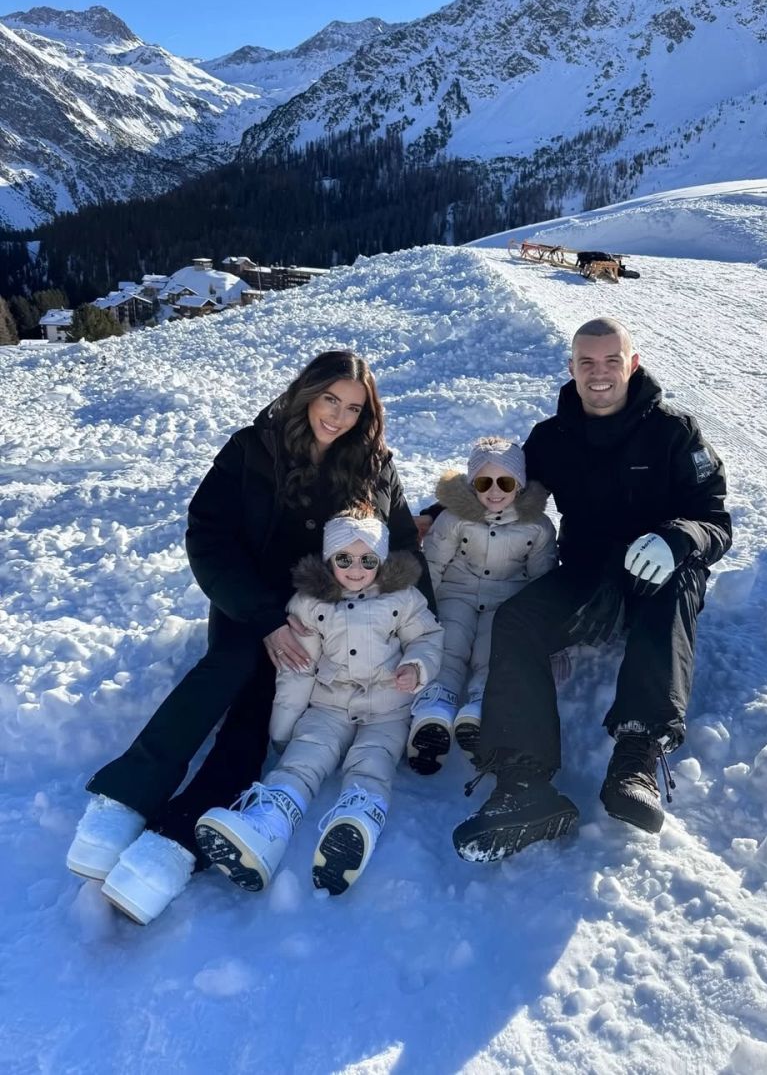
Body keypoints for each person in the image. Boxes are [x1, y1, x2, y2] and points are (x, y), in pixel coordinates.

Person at [66, 350, 433, 924]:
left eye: (353, 408)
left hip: (324, 622)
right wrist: (263, 617)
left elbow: (404, 544)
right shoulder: (252, 449)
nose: (337, 416)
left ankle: (174, 843)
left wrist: (420, 634)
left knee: (257, 715)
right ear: (307, 392)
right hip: (250, 603)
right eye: (329, 400)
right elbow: (208, 534)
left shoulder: (374, 465)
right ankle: (127, 795)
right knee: (231, 667)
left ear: (367, 415)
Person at [451, 316, 732, 862]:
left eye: (610, 361)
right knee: (517, 621)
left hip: (660, 576)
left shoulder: (674, 433)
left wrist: (678, 537)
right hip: (587, 576)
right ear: (572, 367)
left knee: (674, 588)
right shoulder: (554, 437)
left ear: (632, 363)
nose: (598, 374)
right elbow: (503, 491)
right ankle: (524, 783)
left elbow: (716, 522)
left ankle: (636, 757)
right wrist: (439, 513)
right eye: (586, 362)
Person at [194, 511, 443, 896]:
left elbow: (428, 637)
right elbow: (298, 669)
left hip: (388, 706)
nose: (356, 570)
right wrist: (283, 728)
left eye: (368, 560)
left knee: (373, 760)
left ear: (382, 560)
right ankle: (267, 824)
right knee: (304, 756)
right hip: (329, 703)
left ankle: (357, 820)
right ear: (329, 560)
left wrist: (417, 666)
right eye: (344, 559)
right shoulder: (309, 604)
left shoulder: (403, 598)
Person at [406, 437, 557, 775]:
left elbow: (543, 582)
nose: (494, 492)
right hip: (456, 595)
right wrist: (419, 612)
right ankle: (435, 711)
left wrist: (549, 639)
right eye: (483, 482)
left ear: (518, 485)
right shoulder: (453, 518)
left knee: (495, 651)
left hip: (506, 603)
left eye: (505, 482)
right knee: (448, 643)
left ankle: (478, 708)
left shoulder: (537, 527)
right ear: (472, 483)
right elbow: (432, 565)